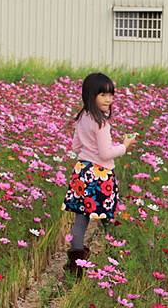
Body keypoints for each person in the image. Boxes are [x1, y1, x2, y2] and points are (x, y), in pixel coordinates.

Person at [62, 72, 136, 276]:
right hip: (100, 175)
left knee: (81, 219)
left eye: (111, 95)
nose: (108, 99)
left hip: (82, 172)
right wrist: (124, 146)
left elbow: (76, 145)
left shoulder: (82, 117)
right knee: (107, 217)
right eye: (103, 95)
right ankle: (116, 257)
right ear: (90, 95)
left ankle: (75, 265)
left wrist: (89, 149)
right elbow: (105, 153)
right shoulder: (102, 123)